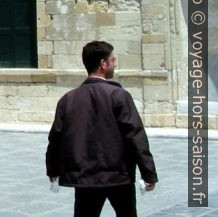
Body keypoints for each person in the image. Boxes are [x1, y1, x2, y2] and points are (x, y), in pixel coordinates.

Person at [46, 40, 158, 217]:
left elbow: (55, 139)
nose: (115, 64)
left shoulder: (68, 99)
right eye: (113, 60)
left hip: (85, 178)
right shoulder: (119, 96)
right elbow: (135, 136)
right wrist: (148, 174)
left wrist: (52, 170)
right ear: (103, 64)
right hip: (118, 176)